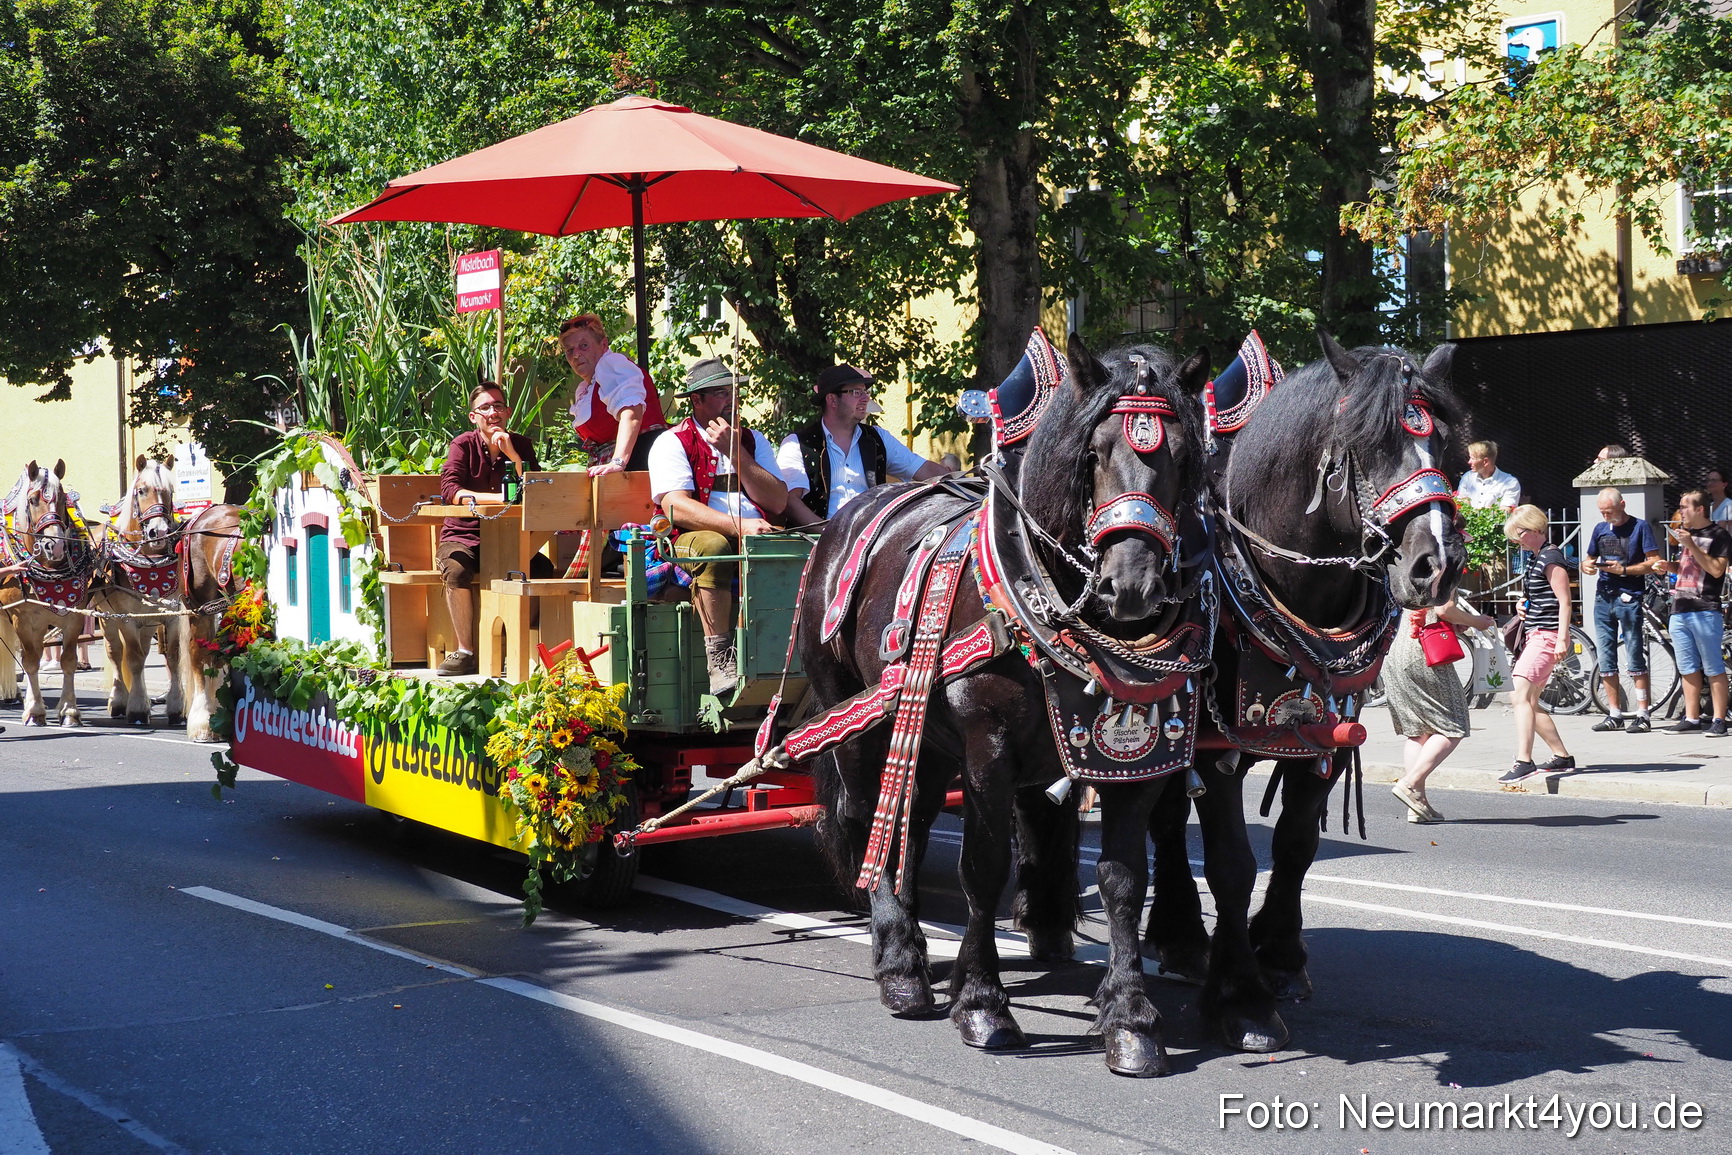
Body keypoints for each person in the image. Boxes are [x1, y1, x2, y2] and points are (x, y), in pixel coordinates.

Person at [649, 358, 789, 695]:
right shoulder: (673, 441)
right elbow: (675, 506)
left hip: (752, 531)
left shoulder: (753, 441)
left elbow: (778, 502)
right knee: (715, 546)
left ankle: (776, 650)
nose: (731, 401)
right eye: (721, 393)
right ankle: (720, 657)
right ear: (696, 400)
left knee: (793, 548)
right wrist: (738, 526)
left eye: (734, 393)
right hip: (687, 539)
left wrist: (736, 452)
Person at [435, 381, 554, 676]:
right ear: (474, 417)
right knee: (458, 569)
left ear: (508, 412)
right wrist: (498, 497)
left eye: (498, 406)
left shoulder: (521, 445)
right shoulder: (462, 444)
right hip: (465, 534)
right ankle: (465, 652)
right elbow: (450, 488)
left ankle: (518, 645)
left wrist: (513, 456)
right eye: (485, 407)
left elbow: (535, 488)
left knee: (542, 569)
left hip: (508, 536)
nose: (493, 412)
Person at [778, 365, 947, 525]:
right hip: (815, 542)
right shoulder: (798, 444)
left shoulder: (877, 438)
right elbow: (790, 502)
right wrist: (825, 533)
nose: (866, 398)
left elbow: (923, 470)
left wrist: (962, 481)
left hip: (869, 541)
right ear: (832, 400)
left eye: (865, 392)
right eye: (856, 392)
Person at [1385, 598, 1498, 822]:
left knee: (1418, 731)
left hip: (1397, 650)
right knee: (1454, 725)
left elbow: (1429, 611)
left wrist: (1453, 622)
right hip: (1425, 651)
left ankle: (1417, 804)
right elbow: (1444, 608)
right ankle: (1409, 783)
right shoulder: (1442, 564)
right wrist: (1476, 621)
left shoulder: (1409, 565)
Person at [1499, 505, 1578, 783]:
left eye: (1518, 534)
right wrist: (1523, 605)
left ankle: (1524, 760)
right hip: (1537, 632)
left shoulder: (1551, 557)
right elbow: (1540, 596)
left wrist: (1561, 638)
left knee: (1518, 694)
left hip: (1546, 635)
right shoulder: (1536, 557)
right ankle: (1561, 757)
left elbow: (1565, 601)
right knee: (1530, 701)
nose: (1515, 540)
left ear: (1534, 530)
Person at [1580, 486, 1661, 732]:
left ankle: (1643, 714)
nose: (1606, 517)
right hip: (1604, 597)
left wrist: (1625, 570)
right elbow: (1588, 559)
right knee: (1606, 655)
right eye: (1602, 512)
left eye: (1609, 512)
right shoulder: (1600, 529)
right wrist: (1588, 567)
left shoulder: (1640, 527)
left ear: (1623, 505)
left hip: (1630, 596)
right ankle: (1614, 713)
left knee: (1635, 652)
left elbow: (1655, 562)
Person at [1657, 490, 1732, 735]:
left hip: (1705, 609)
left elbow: (1716, 570)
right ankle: (1692, 718)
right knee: (1687, 667)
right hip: (1680, 608)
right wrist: (1669, 566)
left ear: (1700, 509)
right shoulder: (1687, 536)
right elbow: (1688, 568)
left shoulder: (1718, 535)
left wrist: (1690, 544)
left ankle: (1718, 720)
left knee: (1713, 667)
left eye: (1684, 507)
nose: (1680, 512)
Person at [559, 313, 668, 476]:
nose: (576, 355)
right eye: (569, 350)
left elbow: (631, 413)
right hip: (621, 471)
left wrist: (618, 461)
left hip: (642, 463)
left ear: (603, 345)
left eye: (584, 346)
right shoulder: (585, 389)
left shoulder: (612, 364)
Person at [1456, 440, 1521, 510]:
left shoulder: (1510, 482)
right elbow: (1461, 503)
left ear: (1485, 462)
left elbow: (1504, 512)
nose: (1469, 462)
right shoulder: (1467, 477)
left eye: (1473, 458)